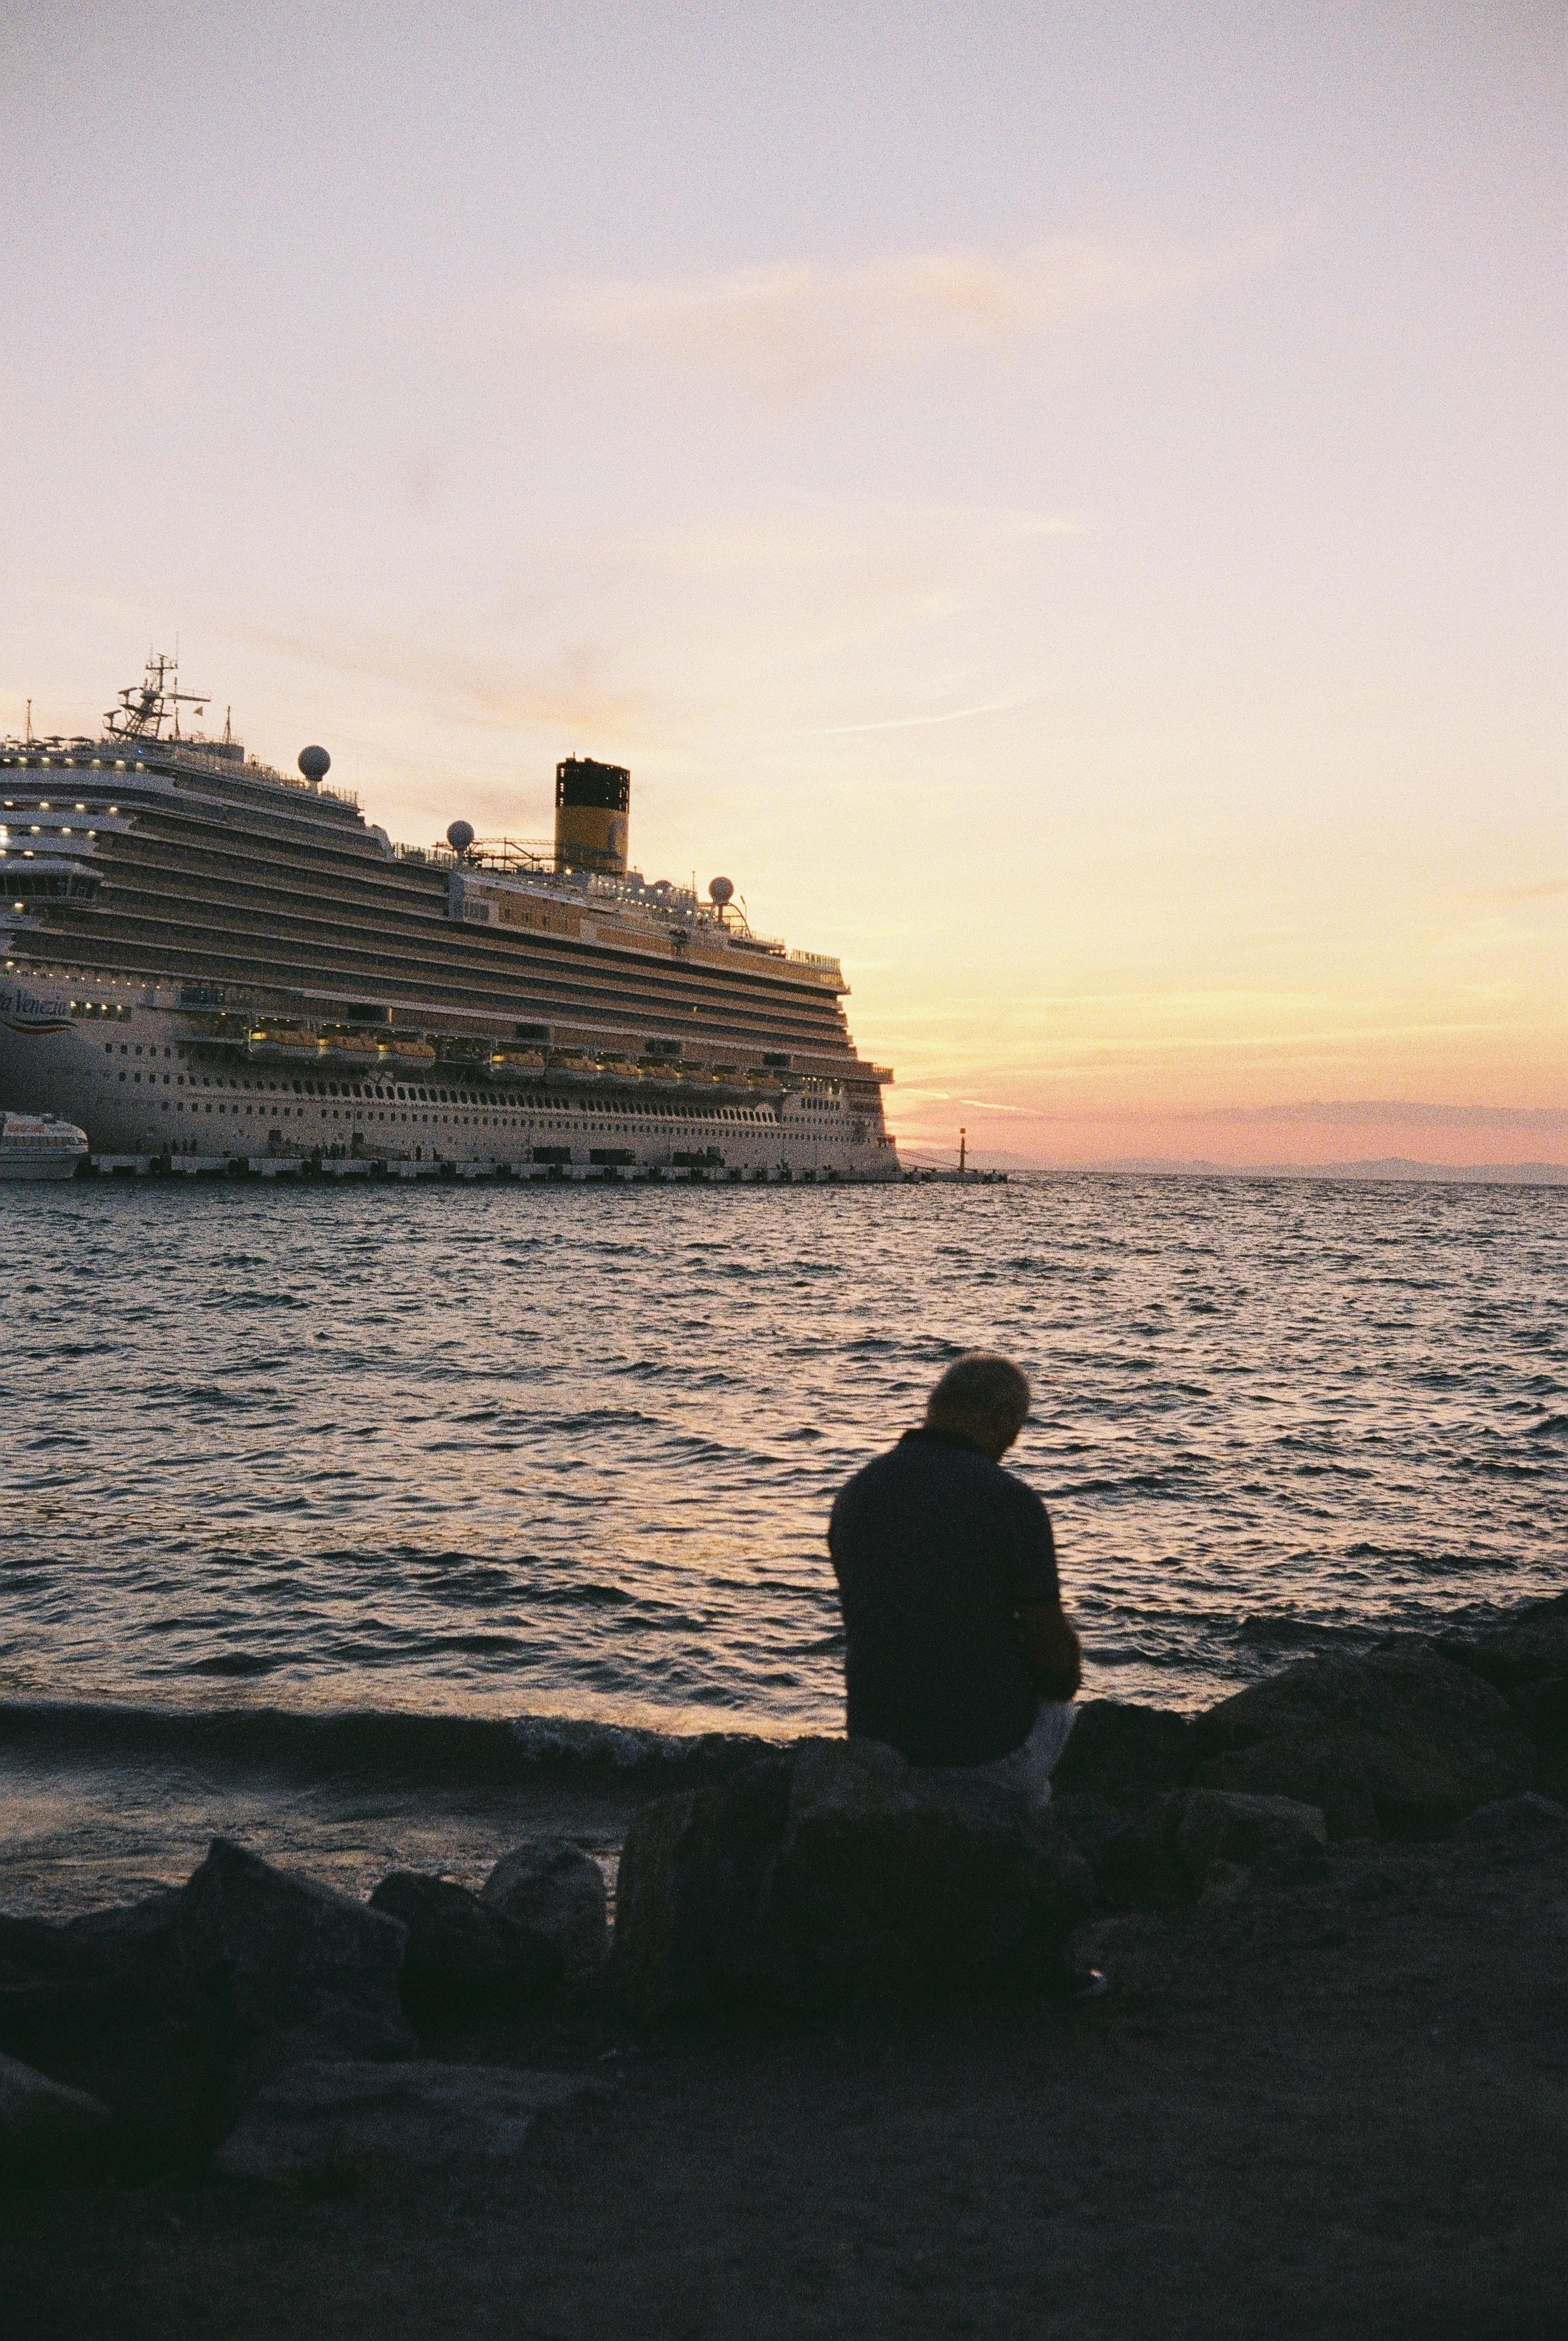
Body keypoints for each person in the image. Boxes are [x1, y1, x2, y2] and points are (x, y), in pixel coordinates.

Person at [828, 1352, 1084, 1808]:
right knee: (1061, 1714)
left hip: (875, 1741)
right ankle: (1026, 1829)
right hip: (975, 1753)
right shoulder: (1010, 1502)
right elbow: (1056, 1671)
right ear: (1002, 1421)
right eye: (1016, 1426)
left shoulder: (858, 1491)